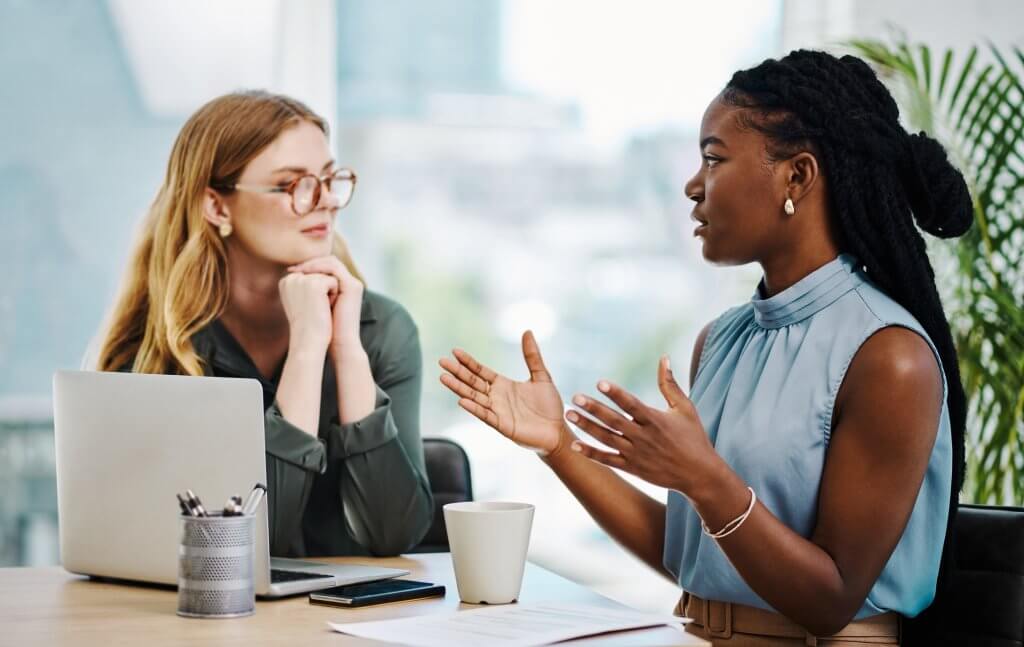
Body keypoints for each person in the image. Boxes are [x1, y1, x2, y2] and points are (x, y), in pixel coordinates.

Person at [440, 50, 972, 645]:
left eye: (714, 159)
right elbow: (691, 556)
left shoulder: (889, 358)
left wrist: (706, 479)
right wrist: (560, 446)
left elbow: (831, 598)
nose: (693, 186)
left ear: (797, 176)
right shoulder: (721, 340)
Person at [97, 90, 433, 557]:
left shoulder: (382, 329)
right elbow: (243, 547)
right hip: (213, 623)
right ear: (217, 206)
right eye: (290, 184)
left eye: (328, 179)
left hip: (355, 625)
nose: (324, 202)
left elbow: (394, 534)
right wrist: (306, 351)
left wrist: (346, 352)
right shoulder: (161, 346)